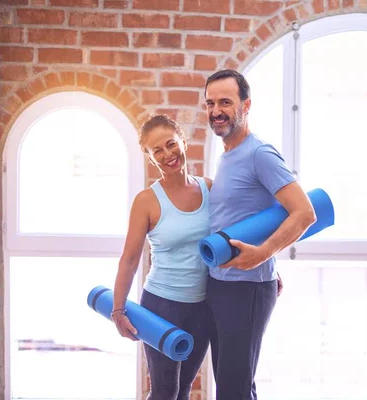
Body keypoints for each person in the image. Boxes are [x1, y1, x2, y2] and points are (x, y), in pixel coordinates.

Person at [204, 69, 317, 400]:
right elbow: (247, 215)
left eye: (225, 102)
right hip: (222, 285)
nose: (215, 111)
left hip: (246, 290)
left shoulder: (259, 154)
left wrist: (265, 254)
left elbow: (304, 212)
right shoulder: (228, 156)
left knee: (234, 391)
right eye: (210, 103)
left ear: (246, 105)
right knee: (232, 387)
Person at [110, 114, 212, 400]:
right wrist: (118, 311)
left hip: (202, 307)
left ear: (183, 141)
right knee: (164, 392)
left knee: (183, 390)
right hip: (161, 307)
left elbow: (236, 234)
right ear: (149, 156)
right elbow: (129, 260)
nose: (167, 154)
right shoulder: (147, 201)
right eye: (157, 150)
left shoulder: (210, 188)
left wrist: (267, 266)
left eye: (170, 144)